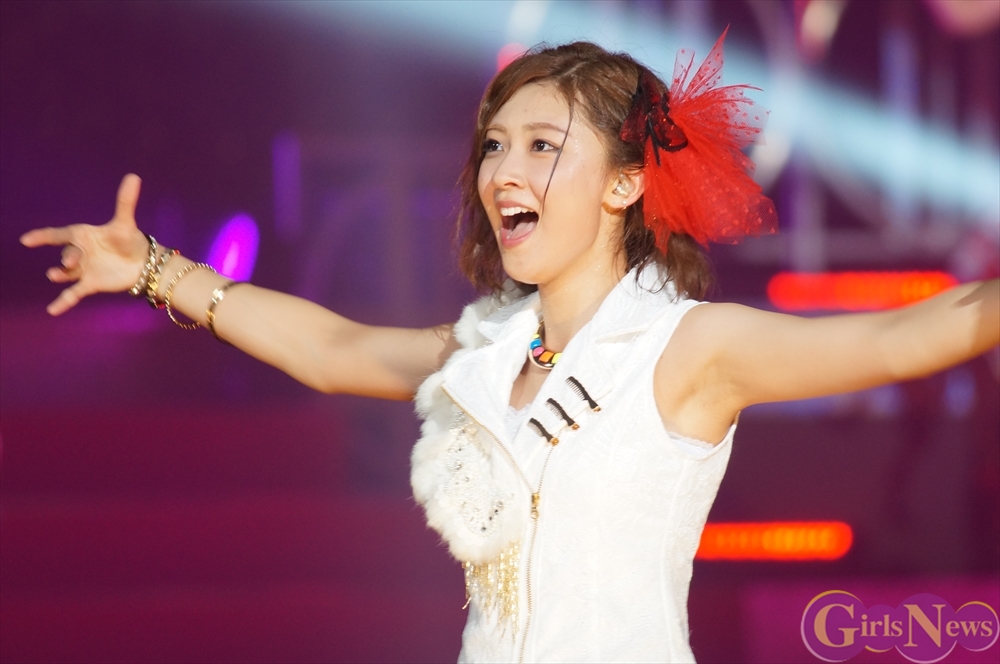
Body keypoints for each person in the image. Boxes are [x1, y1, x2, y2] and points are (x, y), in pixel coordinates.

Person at [20, 33, 999, 664]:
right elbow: (332, 349)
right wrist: (154, 269)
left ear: (623, 184)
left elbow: (905, 333)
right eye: (494, 143)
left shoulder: (689, 348)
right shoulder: (485, 349)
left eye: (542, 144)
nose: (502, 170)